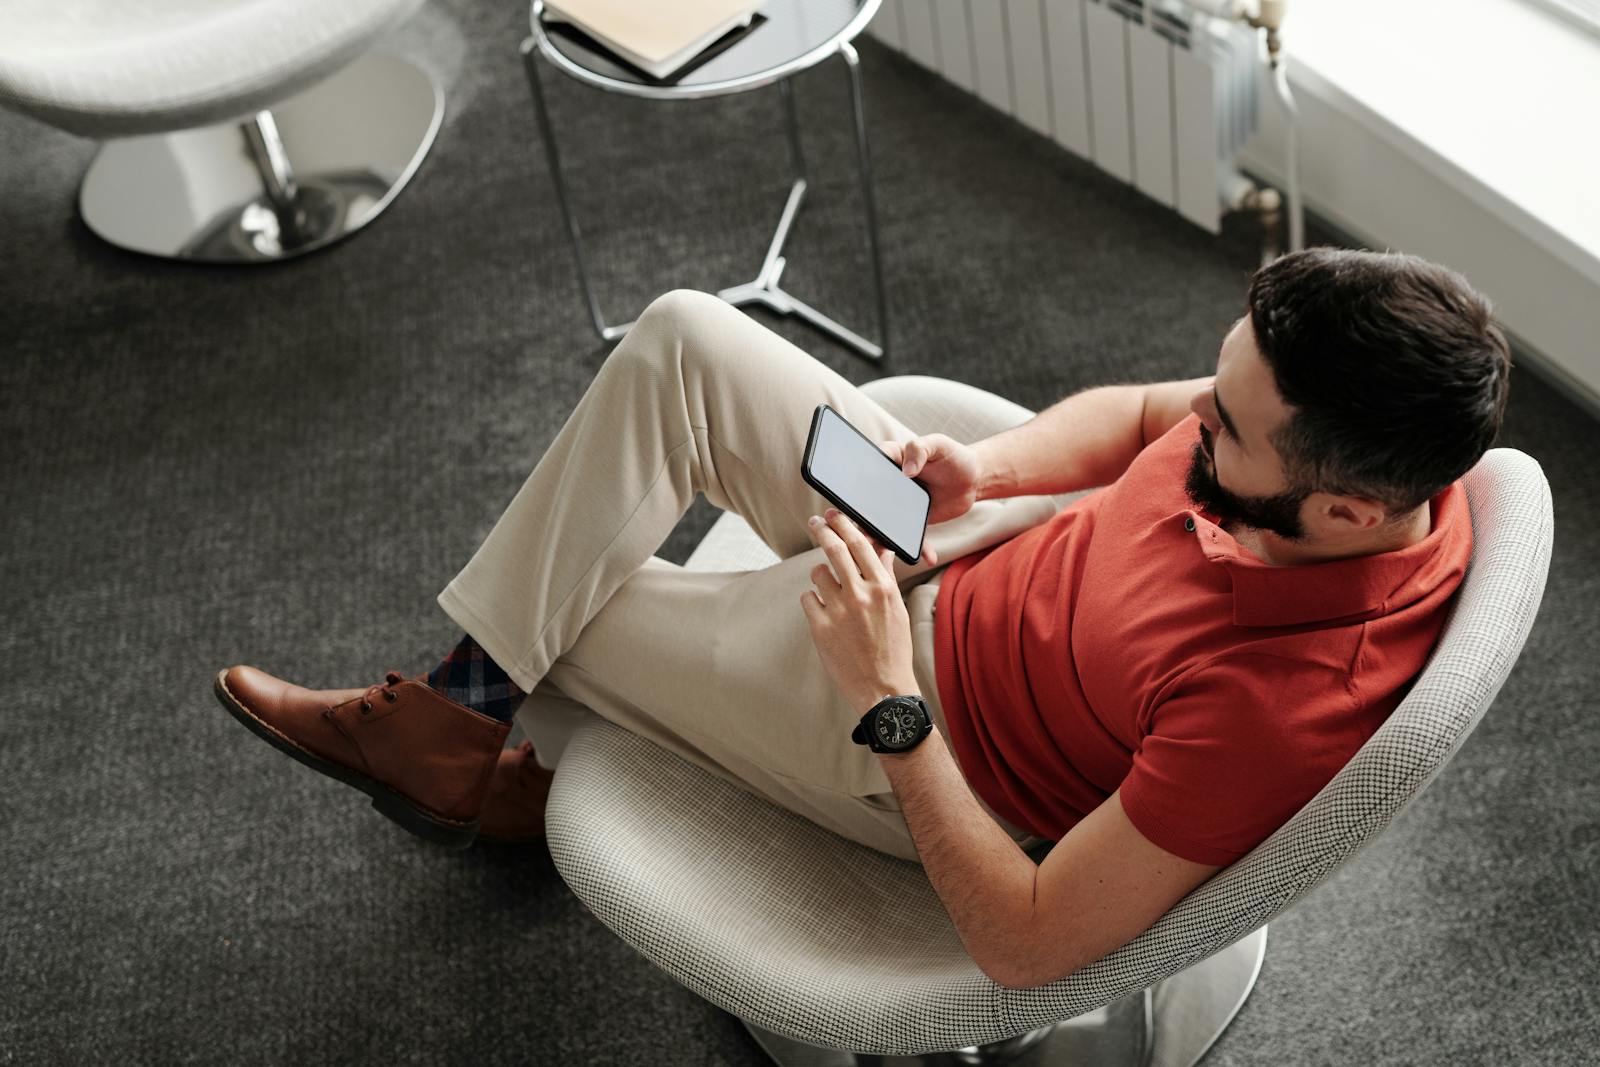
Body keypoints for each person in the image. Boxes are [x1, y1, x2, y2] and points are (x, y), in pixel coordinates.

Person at [213, 247, 1510, 989]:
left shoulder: (1280, 709)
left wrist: (886, 698)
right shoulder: (1327, 437)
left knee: (569, 603)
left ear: (1346, 516)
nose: (1198, 424)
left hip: (910, 727)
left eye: (1226, 431)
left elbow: (1028, 938)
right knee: (680, 341)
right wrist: (981, 471)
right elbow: (1129, 419)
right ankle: (473, 750)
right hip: (957, 534)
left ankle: (476, 751)